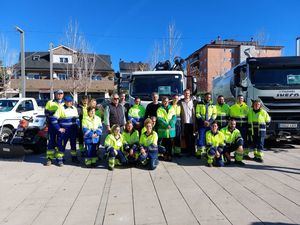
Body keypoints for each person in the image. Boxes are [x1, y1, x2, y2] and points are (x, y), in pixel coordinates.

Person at [50, 95, 80, 166]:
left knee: (73, 145)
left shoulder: (74, 108)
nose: (70, 103)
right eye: (68, 102)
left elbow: (77, 119)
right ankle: (60, 159)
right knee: (61, 145)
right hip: (64, 132)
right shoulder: (61, 108)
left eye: (71, 101)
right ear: (65, 102)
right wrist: (58, 128)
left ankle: (74, 158)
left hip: (73, 130)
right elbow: (53, 119)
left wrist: (78, 126)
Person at [44, 89, 64, 166]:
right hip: (52, 126)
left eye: (61, 93)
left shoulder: (65, 103)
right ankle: (49, 158)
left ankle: (59, 159)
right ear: (55, 94)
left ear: (63, 94)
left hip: (61, 126)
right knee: (51, 142)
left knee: (60, 142)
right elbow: (46, 113)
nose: (59, 95)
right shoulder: (50, 102)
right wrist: (53, 116)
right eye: (58, 94)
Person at [195, 92, 217, 158]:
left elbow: (214, 114)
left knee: (209, 138)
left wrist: (209, 122)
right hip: (202, 124)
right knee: (201, 138)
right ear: (204, 97)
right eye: (207, 97)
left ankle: (208, 152)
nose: (208, 98)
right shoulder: (199, 104)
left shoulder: (213, 104)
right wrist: (203, 121)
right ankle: (199, 153)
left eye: (209, 97)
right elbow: (197, 113)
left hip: (210, 124)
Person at [229, 95, 249, 159]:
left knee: (245, 140)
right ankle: (237, 153)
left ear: (243, 99)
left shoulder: (247, 107)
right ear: (236, 99)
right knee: (236, 140)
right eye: (239, 98)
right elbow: (231, 118)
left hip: (244, 126)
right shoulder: (232, 107)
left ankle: (245, 154)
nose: (240, 100)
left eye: (242, 98)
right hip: (236, 127)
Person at [157, 96, 176, 161]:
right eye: (164, 101)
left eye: (167, 101)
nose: (166, 102)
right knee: (164, 144)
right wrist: (166, 125)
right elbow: (159, 119)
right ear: (162, 102)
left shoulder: (172, 108)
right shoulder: (159, 109)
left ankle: (170, 155)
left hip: (171, 130)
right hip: (163, 130)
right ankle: (165, 155)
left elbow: (174, 117)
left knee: (170, 144)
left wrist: (170, 124)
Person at [178, 88, 197, 156]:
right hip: (185, 122)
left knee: (193, 137)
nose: (187, 95)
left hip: (192, 122)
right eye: (185, 93)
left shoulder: (194, 102)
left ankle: (193, 151)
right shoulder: (180, 102)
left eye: (188, 93)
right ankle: (188, 151)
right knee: (186, 137)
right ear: (183, 94)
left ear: (190, 94)